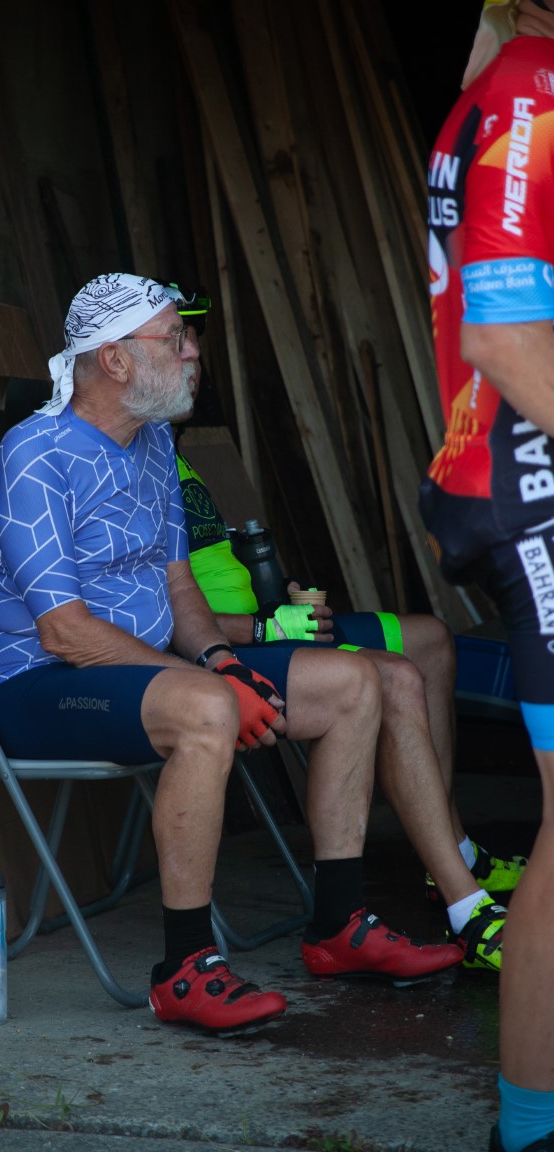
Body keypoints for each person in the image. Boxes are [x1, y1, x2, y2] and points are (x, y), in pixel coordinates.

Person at [0, 272, 463, 1039]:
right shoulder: (35, 453)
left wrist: (223, 661)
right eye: (175, 338)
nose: (193, 351)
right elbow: (63, 632)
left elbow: (178, 590)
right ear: (115, 360)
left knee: (358, 681)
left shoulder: (152, 443)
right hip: (35, 685)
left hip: (140, 674)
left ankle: (339, 926)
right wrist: (209, 684)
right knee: (205, 706)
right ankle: (185, 969)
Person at [161, 280, 522, 977]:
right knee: (393, 678)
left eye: (194, 337)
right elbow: (155, 607)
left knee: (429, 638)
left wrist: (278, 599)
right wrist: (264, 622)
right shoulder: (121, 458)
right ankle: (463, 902)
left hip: (260, 625)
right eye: (177, 340)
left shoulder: (166, 449)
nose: (194, 353)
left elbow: (197, 577)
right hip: (225, 646)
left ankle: (451, 853)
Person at [420, 3, 554, 1149]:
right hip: (526, 482)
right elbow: (503, 338)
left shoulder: (512, 80)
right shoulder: (529, 88)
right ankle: (528, 1126)